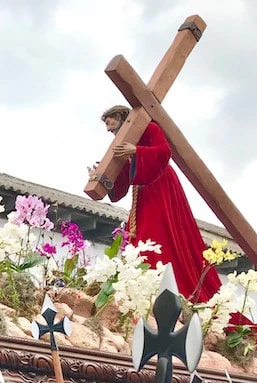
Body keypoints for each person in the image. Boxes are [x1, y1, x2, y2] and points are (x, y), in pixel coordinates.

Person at [90, 105, 221, 303]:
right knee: (141, 234)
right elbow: (124, 178)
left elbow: (163, 152)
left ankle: (160, 282)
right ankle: (139, 283)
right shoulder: (122, 144)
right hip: (142, 192)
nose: (111, 131)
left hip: (160, 185)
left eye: (112, 125)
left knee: (154, 233)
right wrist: (101, 177)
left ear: (123, 119)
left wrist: (136, 150)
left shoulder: (150, 129)